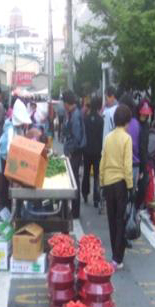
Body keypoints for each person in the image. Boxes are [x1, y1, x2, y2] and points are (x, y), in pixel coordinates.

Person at [100, 105, 133, 270]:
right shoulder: (127, 139)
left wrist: (101, 180)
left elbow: (102, 161)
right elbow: (127, 166)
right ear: (127, 121)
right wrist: (130, 185)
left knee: (111, 220)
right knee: (120, 220)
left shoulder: (108, 138)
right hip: (120, 183)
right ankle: (117, 258)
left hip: (107, 182)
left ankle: (114, 254)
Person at [0, 98, 31, 211]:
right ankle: (5, 220)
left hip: (9, 164)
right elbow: (10, 151)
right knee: (4, 196)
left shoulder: (18, 129)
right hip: (2, 166)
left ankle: (10, 216)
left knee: (10, 196)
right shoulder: (10, 129)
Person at [63, 90, 87, 219]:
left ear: (67, 103)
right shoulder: (73, 113)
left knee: (74, 181)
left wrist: (70, 151)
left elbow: (77, 138)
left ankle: (75, 211)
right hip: (74, 152)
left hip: (75, 153)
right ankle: (74, 209)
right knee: (74, 180)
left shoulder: (75, 115)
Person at [82, 97, 104, 207]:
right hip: (97, 151)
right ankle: (96, 198)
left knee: (86, 172)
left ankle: (85, 193)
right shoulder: (101, 120)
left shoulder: (85, 119)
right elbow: (101, 136)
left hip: (87, 150)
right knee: (96, 175)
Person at [119, 92, 142, 195]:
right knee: (131, 196)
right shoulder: (136, 123)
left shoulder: (123, 125)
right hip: (135, 164)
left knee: (122, 198)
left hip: (124, 165)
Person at [135, 100, 152, 209]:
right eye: (142, 114)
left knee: (143, 186)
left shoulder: (146, 126)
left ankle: (136, 207)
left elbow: (144, 146)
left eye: (146, 115)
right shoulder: (135, 123)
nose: (144, 116)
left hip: (142, 159)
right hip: (135, 158)